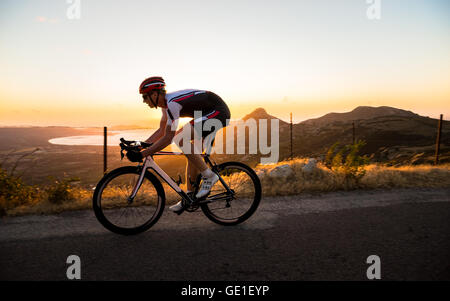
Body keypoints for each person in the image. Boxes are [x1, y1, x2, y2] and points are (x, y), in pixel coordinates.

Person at [128, 76, 231, 212]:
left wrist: (143, 154)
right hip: (206, 113)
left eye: (145, 97)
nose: (144, 101)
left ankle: (209, 176)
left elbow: (168, 138)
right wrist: (142, 145)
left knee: (180, 139)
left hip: (218, 112)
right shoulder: (165, 106)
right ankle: (189, 197)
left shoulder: (172, 103)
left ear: (154, 94)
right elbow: (161, 131)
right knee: (191, 154)